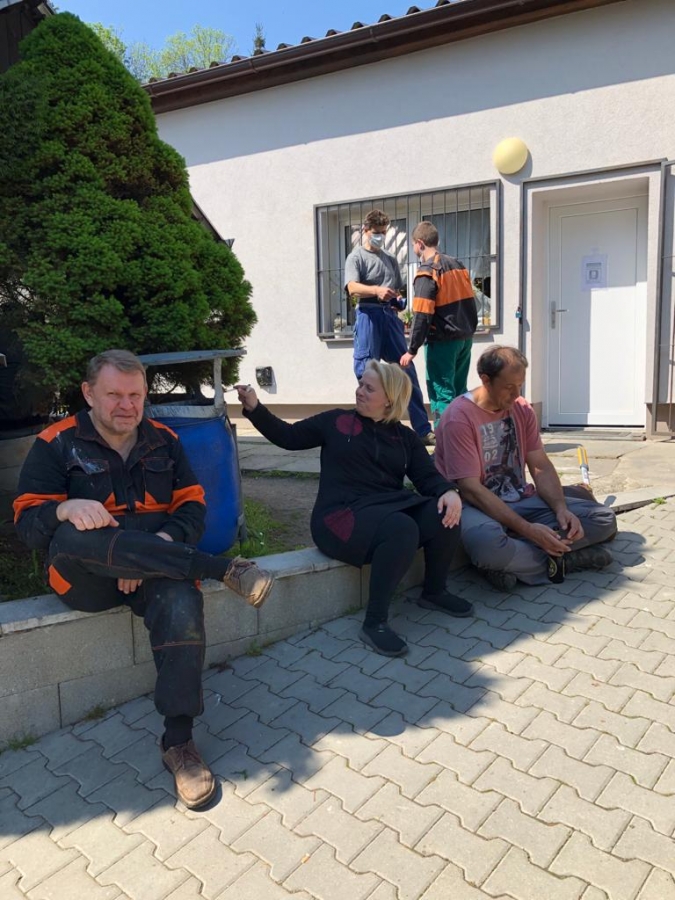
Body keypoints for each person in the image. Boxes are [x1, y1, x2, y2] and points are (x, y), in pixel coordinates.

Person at [13, 349, 274, 810]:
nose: (126, 405)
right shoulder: (56, 442)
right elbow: (28, 525)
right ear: (89, 393)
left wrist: (156, 550)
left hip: (157, 571)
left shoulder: (164, 440)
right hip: (84, 580)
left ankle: (179, 743)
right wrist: (64, 508)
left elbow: (192, 508)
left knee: (181, 602)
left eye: (135, 395)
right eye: (114, 394)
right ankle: (221, 570)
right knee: (72, 534)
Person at [237, 360, 472, 658]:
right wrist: (254, 407)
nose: (360, 391)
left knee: (444, 513)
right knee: (401, 529)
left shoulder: (405, 437)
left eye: (369, 388)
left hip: (384, 507)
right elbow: (289, 436)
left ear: (389, 399)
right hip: (339, 516)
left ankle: (435, 592)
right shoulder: (336, 422)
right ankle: (375, 623)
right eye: (361, 384)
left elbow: (426, 477)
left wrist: (449, 491)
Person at [435, 345, 617, 590]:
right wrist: (530, 531)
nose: (516, 394)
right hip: (476, 506)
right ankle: (565, 561)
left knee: (604, 518)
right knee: (488, 547)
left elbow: (540, 465)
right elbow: (471, 490)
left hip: (520, 498)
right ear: (486, 380)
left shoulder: (521, 408)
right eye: (509, 387)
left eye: (520, 385)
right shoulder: (458, 418)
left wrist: (561, 509)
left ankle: (515, 562)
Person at [345, 209, 435, 445]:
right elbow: (352, 288)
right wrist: (376, 290)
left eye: (383, 233)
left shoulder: (390, 258)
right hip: (368, 315)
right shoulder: (356, 257)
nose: (380, 237)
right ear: (365, 230)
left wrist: (398, 300)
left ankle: (422, 430)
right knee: (366, 372)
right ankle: (368, 427)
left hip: (389, 316)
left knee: (406, 370)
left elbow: (397, 288)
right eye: (376, 232)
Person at [400, 221, 478, 423]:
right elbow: (471, 302)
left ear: (420, 243)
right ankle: (464, 435)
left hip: (442, 342)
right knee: (460, 392)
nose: (414, 248)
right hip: (465, 339)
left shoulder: (427, 272)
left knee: (441, 393)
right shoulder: (458, 266)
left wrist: (412, 349)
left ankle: (445, 440)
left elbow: (422, 314)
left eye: (413, 245)